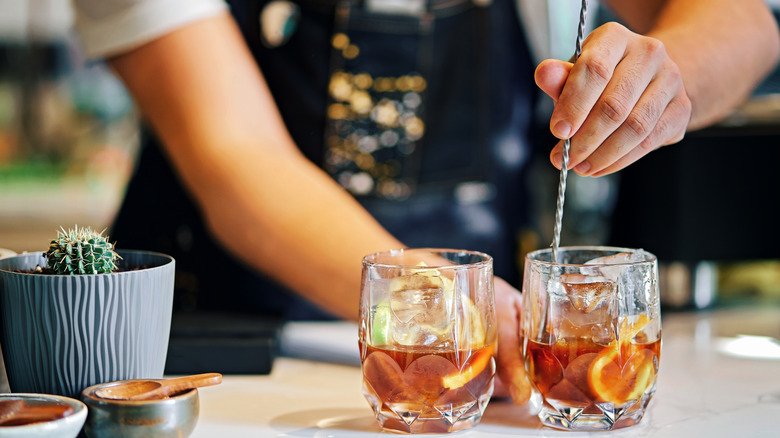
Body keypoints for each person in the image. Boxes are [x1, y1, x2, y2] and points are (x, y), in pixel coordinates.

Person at [71, 0, 780, 405]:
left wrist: (669, 73)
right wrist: (440, 302)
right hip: (218, 368)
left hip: (477, 370)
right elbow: (235, 158)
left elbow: (746, 20)